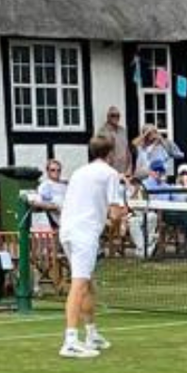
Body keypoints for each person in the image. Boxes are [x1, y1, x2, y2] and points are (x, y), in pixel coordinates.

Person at [59, 133, 131, 359]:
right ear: (110, 154)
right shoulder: (110, 174)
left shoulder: (79, 172)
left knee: (87, 284)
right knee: (79, 285)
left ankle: (91, 334)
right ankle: (70, 341)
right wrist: (122, 214)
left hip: (68, 231)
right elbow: (115, 212)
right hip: (84, 234)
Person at [26, 159, 68, 232]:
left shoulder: (64, 185)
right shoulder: (46, 186)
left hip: (69, 217)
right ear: (48, 171)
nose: (56, 172)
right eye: (53, 170)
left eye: (58, 170)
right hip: (58, 221)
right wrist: (55, 207)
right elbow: (36, 203)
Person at [95, 107, 131, 175]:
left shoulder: (122, 130)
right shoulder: (102, 131)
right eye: (113, 115)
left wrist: (129, 167)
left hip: (124, 168)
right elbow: (102, 151)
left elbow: (127, 148)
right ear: (108, 117)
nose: (116, 117)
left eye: (118, 115)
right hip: (110, 168)